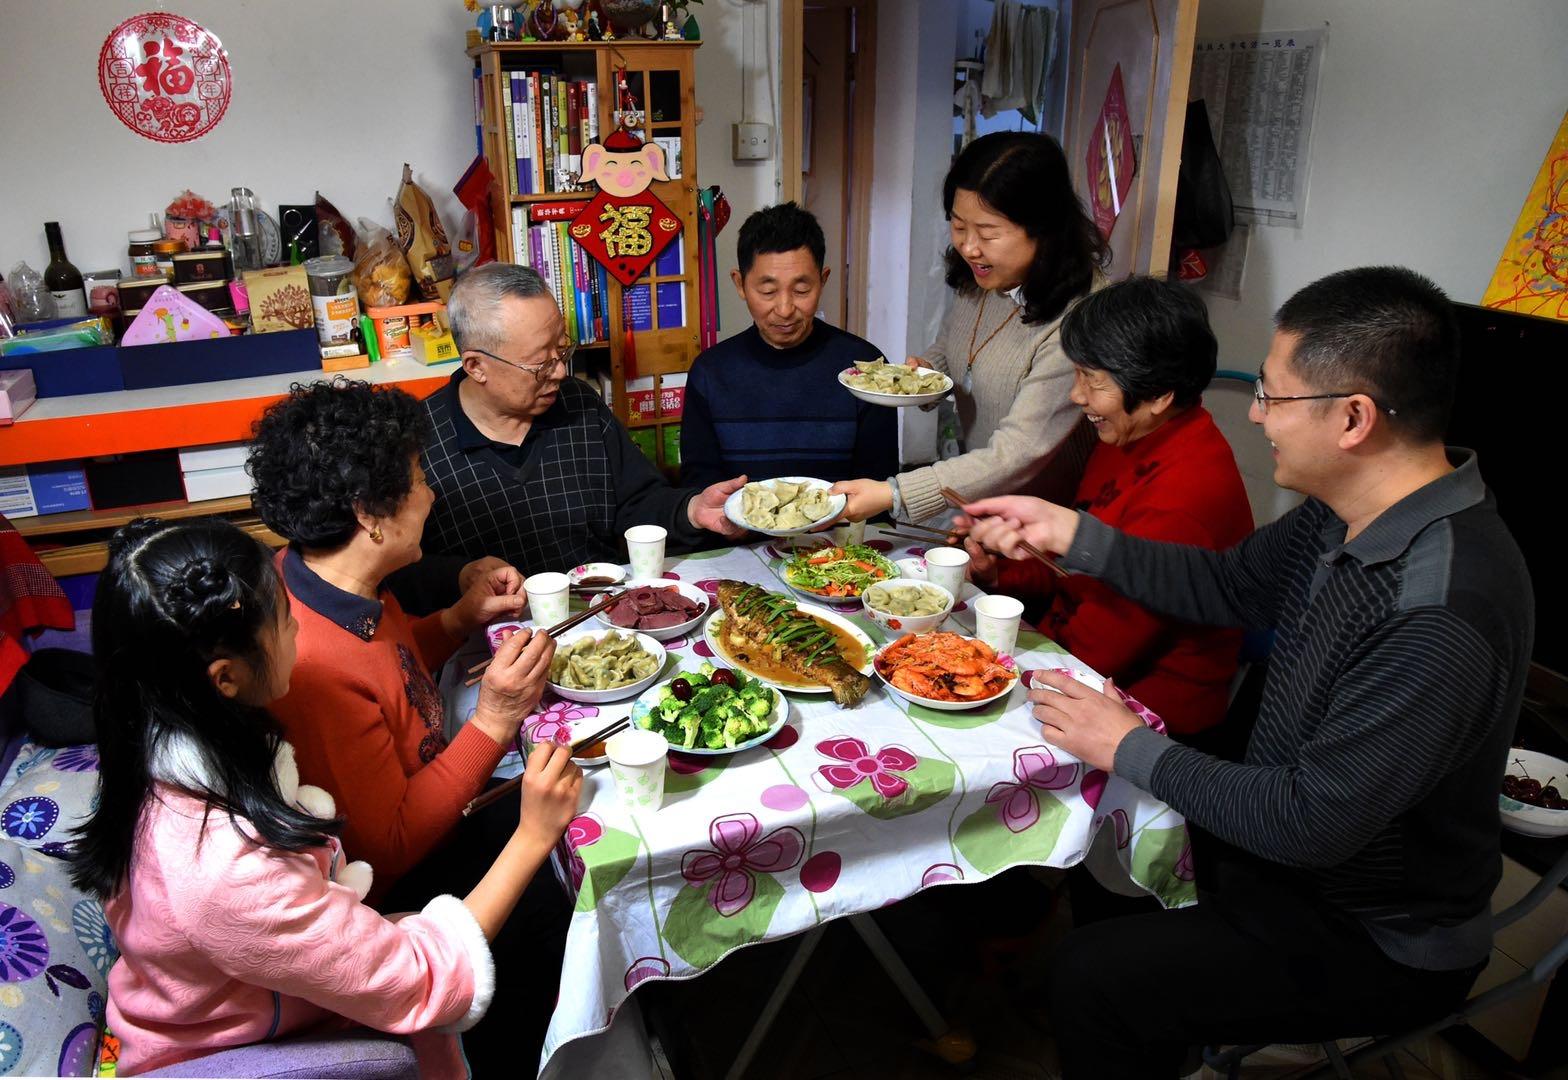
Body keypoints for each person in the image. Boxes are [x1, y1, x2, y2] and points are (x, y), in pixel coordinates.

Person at [963, 267, 1534, 1078]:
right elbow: (1225, 585)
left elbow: (1309, 822)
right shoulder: (1346, 515)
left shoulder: (1437, 610)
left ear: (1353, 418)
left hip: (1373, 932)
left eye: (1272, 395)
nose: (1257, 414)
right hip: (1288, 865)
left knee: (1094, 979)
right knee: (1101, 898)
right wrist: (1071, 535)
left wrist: (1126, 744)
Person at [71, 517, 582, 1078]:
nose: (299, 634)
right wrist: (535, 834)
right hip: (245, 1049)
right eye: (285, 621)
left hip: (252, 990)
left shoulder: (151, 735)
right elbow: (424, 978)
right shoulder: (223, 868)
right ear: (225, 677)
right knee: (540, 888)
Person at [247, 379, 567, 1070]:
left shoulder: (323, 577)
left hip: (421, 812)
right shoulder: (311, 667)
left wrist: (455, 622)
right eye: (419, 479)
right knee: (552, 888)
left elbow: (393, 670)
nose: (430, 495)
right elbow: (387, 849)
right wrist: (494, 719)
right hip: (392, 894)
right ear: (371, 516)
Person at [965, 276, 1253, 738]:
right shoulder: (1128, 433)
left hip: (1149, 720)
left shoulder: (1185, 492)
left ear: (1159, 394)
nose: (1077, 396)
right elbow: (1076, 576)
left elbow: (1100, 648)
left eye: (1092, 381)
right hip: (1082, 662)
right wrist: (1001, 576)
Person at [413, 262, 746, 594]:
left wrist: (692, 510)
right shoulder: (416, 442)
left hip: (600, 617)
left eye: (562, 349)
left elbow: (638, 503)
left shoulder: (579, 404)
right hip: (490, 635)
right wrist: (460, 575)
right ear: (476, 366)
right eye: (541, 364)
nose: (559, 372)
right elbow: (396, 572)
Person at [832, 131, 1106, 524]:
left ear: (1044, 229)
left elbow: (1017, 453)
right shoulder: (984, 277)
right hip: (983, 503)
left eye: (988, 232)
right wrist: (924, 373)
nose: (969, 247)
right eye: (958, 227)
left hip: (1047, 520)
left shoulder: (1082, 318)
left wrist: (894, 493)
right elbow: (956, 346)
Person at [679, 202, 898, 489]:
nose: (784, 309)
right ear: (740, 284)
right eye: (768, 291)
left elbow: (879, 488)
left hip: (841, 532)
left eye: (801, 290)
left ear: (823, 280)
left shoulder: (866, 369)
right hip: (743, 534)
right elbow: (699, 487)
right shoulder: (710, 373)